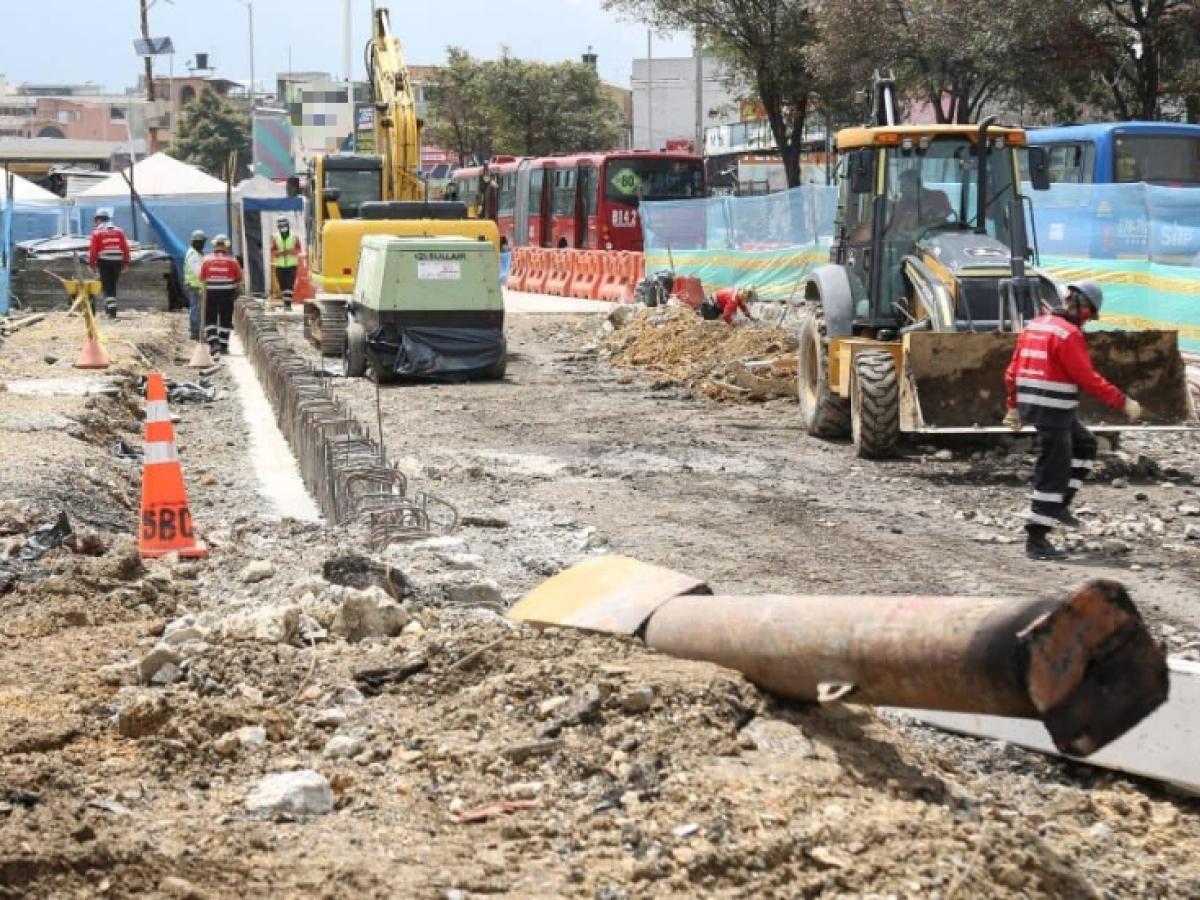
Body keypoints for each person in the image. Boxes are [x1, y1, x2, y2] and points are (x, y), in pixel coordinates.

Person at [1003, 280, 1143, 560]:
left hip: (1041, 407)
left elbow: (1012, 370)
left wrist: (1013, 406)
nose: (1088, 321)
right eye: (1090, 314)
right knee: (1052, 471)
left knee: (1085, 446)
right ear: (1082, 306)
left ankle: (1059, 505)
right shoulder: (1069, 335)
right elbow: (1087, 378)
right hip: (1052, 409)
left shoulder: (1035, 325)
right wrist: (1122, 402)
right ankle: (1037, 539)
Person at [199, 234, 243, 358]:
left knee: (210, 319)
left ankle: (213, 344)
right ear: (226, 247)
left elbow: (202, 277)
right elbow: (239, 278)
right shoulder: (233, 261)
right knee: (225, 319)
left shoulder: (206, 260)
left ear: (214, 246)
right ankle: (223, 346)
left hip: (211, 293)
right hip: (227, 293)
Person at [87, 207, 131, 319]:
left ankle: (112, 312)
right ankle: (109, 309)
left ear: (99, 220)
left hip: (104, 262)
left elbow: (93, 251)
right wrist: (126, 263)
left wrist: (91, 265)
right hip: (117, 262)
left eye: (96, 221)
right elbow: (125, 248)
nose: (95, 223)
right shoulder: (119, 231)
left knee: (107, 287)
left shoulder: (97, 233)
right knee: (112, 285)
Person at [887, 169, 952, 238]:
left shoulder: (938, 196)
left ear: (915, 184)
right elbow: (894, 227)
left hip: (936, 239)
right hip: (910, 242)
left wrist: (928, 214)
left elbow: (946, 213)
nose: (901, 189)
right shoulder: (902, 204)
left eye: (903, 185)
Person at [270, 216, 302, 310]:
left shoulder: (294, 236)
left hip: (291, 265)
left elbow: (298, 249)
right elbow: (272, 250)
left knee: (289, 285)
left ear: (288, 225)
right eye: (280, 226)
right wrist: (278, 253)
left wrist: (291, 251)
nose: (282, 227)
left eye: (284, 225)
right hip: (280, 265)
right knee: (283, 285)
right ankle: (285, 302)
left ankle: (288, 305)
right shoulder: (275, 237)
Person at [184, 230, 206, 342]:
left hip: (198, 285)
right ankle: (195, 332)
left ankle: (198, 331)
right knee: (196, 309)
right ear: (195, 242)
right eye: (201, 242)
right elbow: (198, 272)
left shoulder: (197, 253)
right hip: (195, 286)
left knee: (198, 309)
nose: (203, 245)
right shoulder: (193, 255)